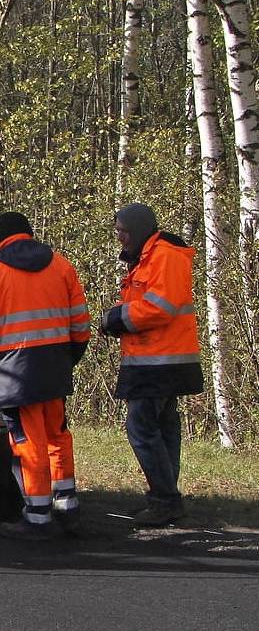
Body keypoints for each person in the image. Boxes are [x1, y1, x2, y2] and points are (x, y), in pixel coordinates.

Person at [0, 212, 91, 540]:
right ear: (30, 234)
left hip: (12, 372)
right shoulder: (61, 265)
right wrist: (68, 359)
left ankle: (37, 516)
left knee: (26, 441)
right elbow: (81, 323)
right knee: (57, 435)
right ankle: (67, 505)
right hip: (55, 366)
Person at [99, 202, 203, 526]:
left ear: (140, 230)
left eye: (124, 232)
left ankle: (165, 499)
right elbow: (145, 303)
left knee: (142, 428)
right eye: (117, 232)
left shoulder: (165, 255)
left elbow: (161, 307)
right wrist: (118, 319)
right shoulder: (147, 257)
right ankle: (166, 497)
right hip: (154, 358)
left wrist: (118, 317)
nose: (120, 239)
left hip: (160, 360)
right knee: (162, 426)